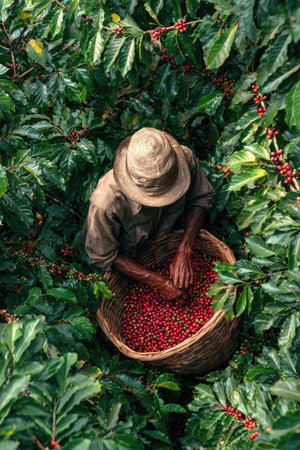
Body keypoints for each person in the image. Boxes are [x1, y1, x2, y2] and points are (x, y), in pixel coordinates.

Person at [83, 127, 215, 302]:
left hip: (169, 246)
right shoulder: (105, 203)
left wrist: (185, 249)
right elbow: (103, 255)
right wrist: (158, 281)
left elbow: (202, 197)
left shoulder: (183, 160)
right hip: (131, 260)